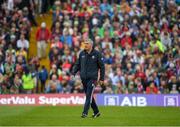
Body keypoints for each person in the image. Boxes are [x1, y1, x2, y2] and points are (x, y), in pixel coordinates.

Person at [71, 38, 105, 118]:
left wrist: (101, 79)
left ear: (91, 45)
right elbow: (77, 64)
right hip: (84, 79)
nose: (85, 45)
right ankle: (96, 112)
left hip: (92, 78)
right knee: (89, 96)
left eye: (87, 43)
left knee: (88, 96)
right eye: (84, 43)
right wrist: (73, 73)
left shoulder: (97, 54)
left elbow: (102, 67)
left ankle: (84, 113)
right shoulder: (81, 53)